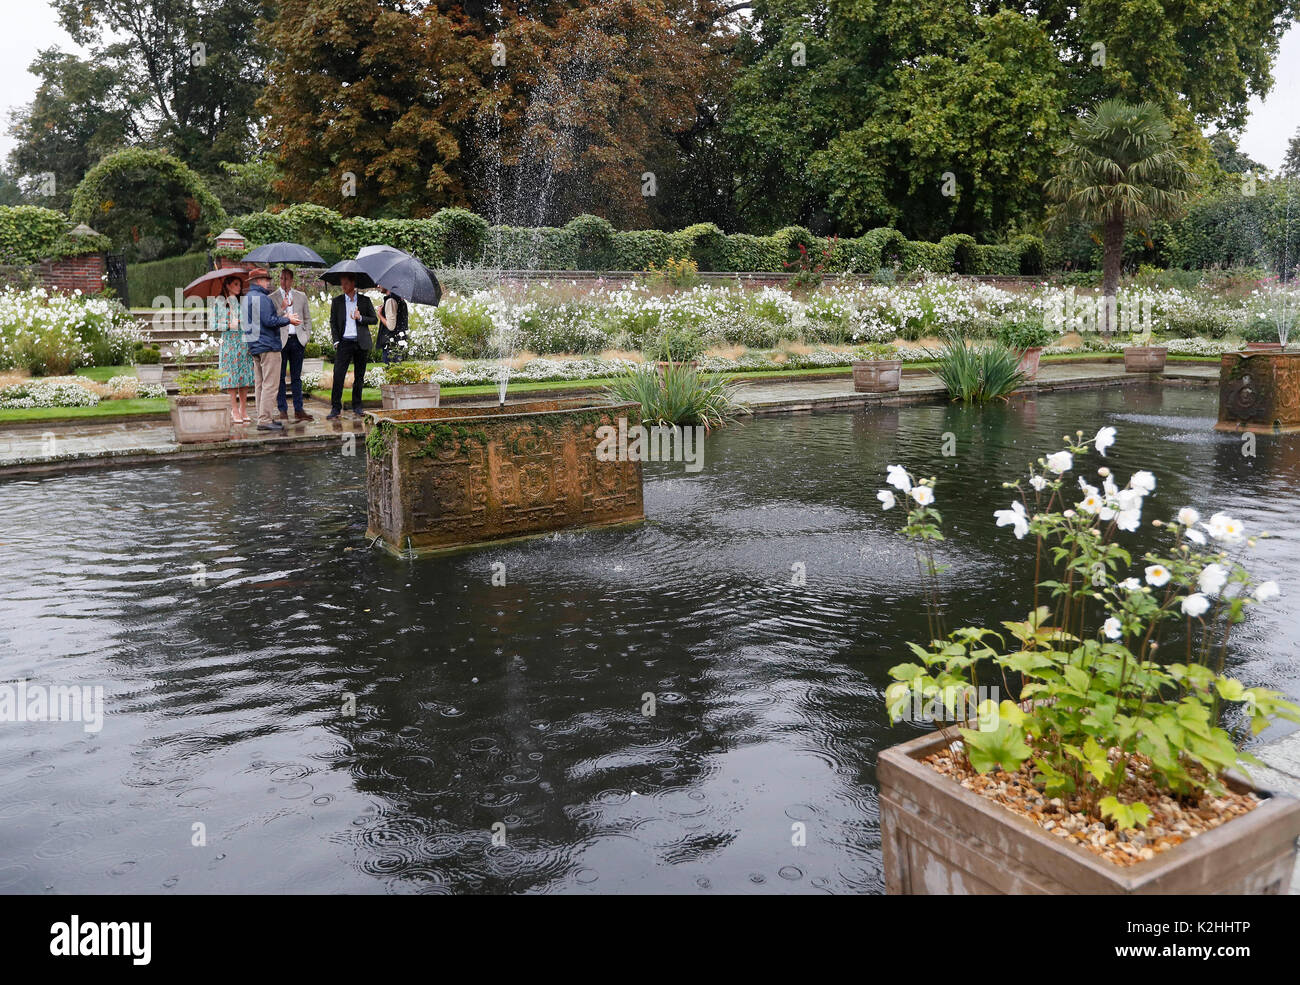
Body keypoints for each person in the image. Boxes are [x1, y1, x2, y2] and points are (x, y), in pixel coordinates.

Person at [244, 267, 300, 432]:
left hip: (255, 346)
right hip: (268, 346)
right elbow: (269, 321)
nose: (269, 282)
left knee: (260, 384)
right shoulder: (262, 298)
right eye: (266, 279)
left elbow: (262, 320)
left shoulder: (248, 297)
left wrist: (282, 309)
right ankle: (265, 420)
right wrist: (288, 319)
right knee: (270, 384)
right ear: (259, 281)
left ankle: (263, 417)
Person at [328, 274, 377, 420]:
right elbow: (333, 322)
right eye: (342, 283)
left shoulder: (364, 301)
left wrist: (360, 317)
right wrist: (336, 341)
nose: (343, 286)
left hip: (361, 342)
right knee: (338, 375)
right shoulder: (337, 302)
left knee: (359, 376)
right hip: (344, 343)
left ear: (353, 283)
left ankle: (357, 406)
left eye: (346, 283)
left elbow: (374, 319)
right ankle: (335, 408)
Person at [269, 268, 314, 422]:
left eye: (287, 279)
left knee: (296, 378)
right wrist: (282, 308)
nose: (284, 282)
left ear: (292, 280)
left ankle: (299, 409)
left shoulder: (301, 296)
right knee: (280, 378)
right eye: (281, 279)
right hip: (281, 341)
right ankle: (282, 410)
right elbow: (271, 319)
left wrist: (306, 337)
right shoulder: (272, 297)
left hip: (297, 340)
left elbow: (307, 319)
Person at [214, 274, 254, 425]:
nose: (239, 287)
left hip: (243, 343)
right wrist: (229, 325)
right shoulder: (220, 302)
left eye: (239, 284)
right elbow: (214, 325)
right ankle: (234, 409)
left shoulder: (242, 302)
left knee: (244, 378)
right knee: (231, 379)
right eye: (236, 284)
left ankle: (243, 409)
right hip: (229, 344)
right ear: (228, 285)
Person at [376, 287, 409, 364]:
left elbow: (391, 326)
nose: (378, 286)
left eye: (380, 283)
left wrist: (379, 314)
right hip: (398, 342)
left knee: (391, 371)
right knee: (396, 371)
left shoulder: (390, 300)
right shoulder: (400, 299)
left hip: (390, 344)